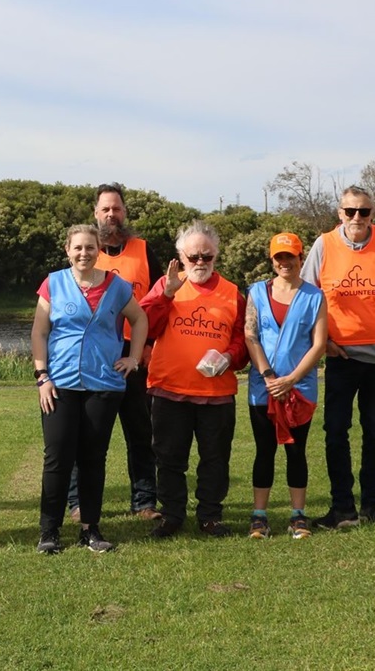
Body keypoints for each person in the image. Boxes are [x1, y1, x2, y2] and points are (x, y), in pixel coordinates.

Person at [300, 186, 375, 529]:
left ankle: (371, 505)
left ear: (373, 213)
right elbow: (307, 297)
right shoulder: (324, 245)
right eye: (350, 211)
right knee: (335, 431)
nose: (357, 218)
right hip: (341, 356)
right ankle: (342, 508)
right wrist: (321, 343)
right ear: (339, 212)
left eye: (364, 212)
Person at [31, 225, 149, 554]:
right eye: (78, 247)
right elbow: (39, 333)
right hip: (59, 384)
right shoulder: (53, 284)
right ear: (67, 250)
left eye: (90, 247)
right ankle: (49, 531)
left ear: (99, 250)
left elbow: (140, 320)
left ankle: (90, 529)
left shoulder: (117, 286)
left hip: (103, 385)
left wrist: (134, 358)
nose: (84, 253)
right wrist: (42, 376)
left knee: (93, 458)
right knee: (57, 458)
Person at [142, 220, 248, 539]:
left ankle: (210, 516)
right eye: (193, 257)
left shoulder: (232, 293)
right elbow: (142, 327)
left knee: (215, 458)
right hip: (168, 389)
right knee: (169, 458)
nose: (200, 263)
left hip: (216, 393)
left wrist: (229, 356)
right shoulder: (166, 284)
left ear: (216, 255)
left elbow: (244, 339)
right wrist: (167, 296)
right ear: (180, 257)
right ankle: (172, 515)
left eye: (207, 256)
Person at [67, 183, 162, 523]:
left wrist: (149, 346)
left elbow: (161, 302)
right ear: (95, 213)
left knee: (140, 432)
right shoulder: (86, 252)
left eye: (117, 208)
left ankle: (145, 502)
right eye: (105, 209)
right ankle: (78, 502)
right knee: (88, 432)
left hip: (135, 355)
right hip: (94, 355)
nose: (111, 214)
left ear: (125, 212)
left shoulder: (143, 250)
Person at [244, 232, 327, 540]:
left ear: (300, 258)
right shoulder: (256, 292)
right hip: (262, 388)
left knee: (296, 451)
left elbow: (319, 344)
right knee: (264, 451)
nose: (285, 262)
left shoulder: (314, 296)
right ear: (272, 260)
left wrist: (291, 380)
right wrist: (268, 376)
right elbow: (250, 335)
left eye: (290, 256)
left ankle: (297, 515)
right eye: (279, 257)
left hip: (300, 389)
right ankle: (259, 516)